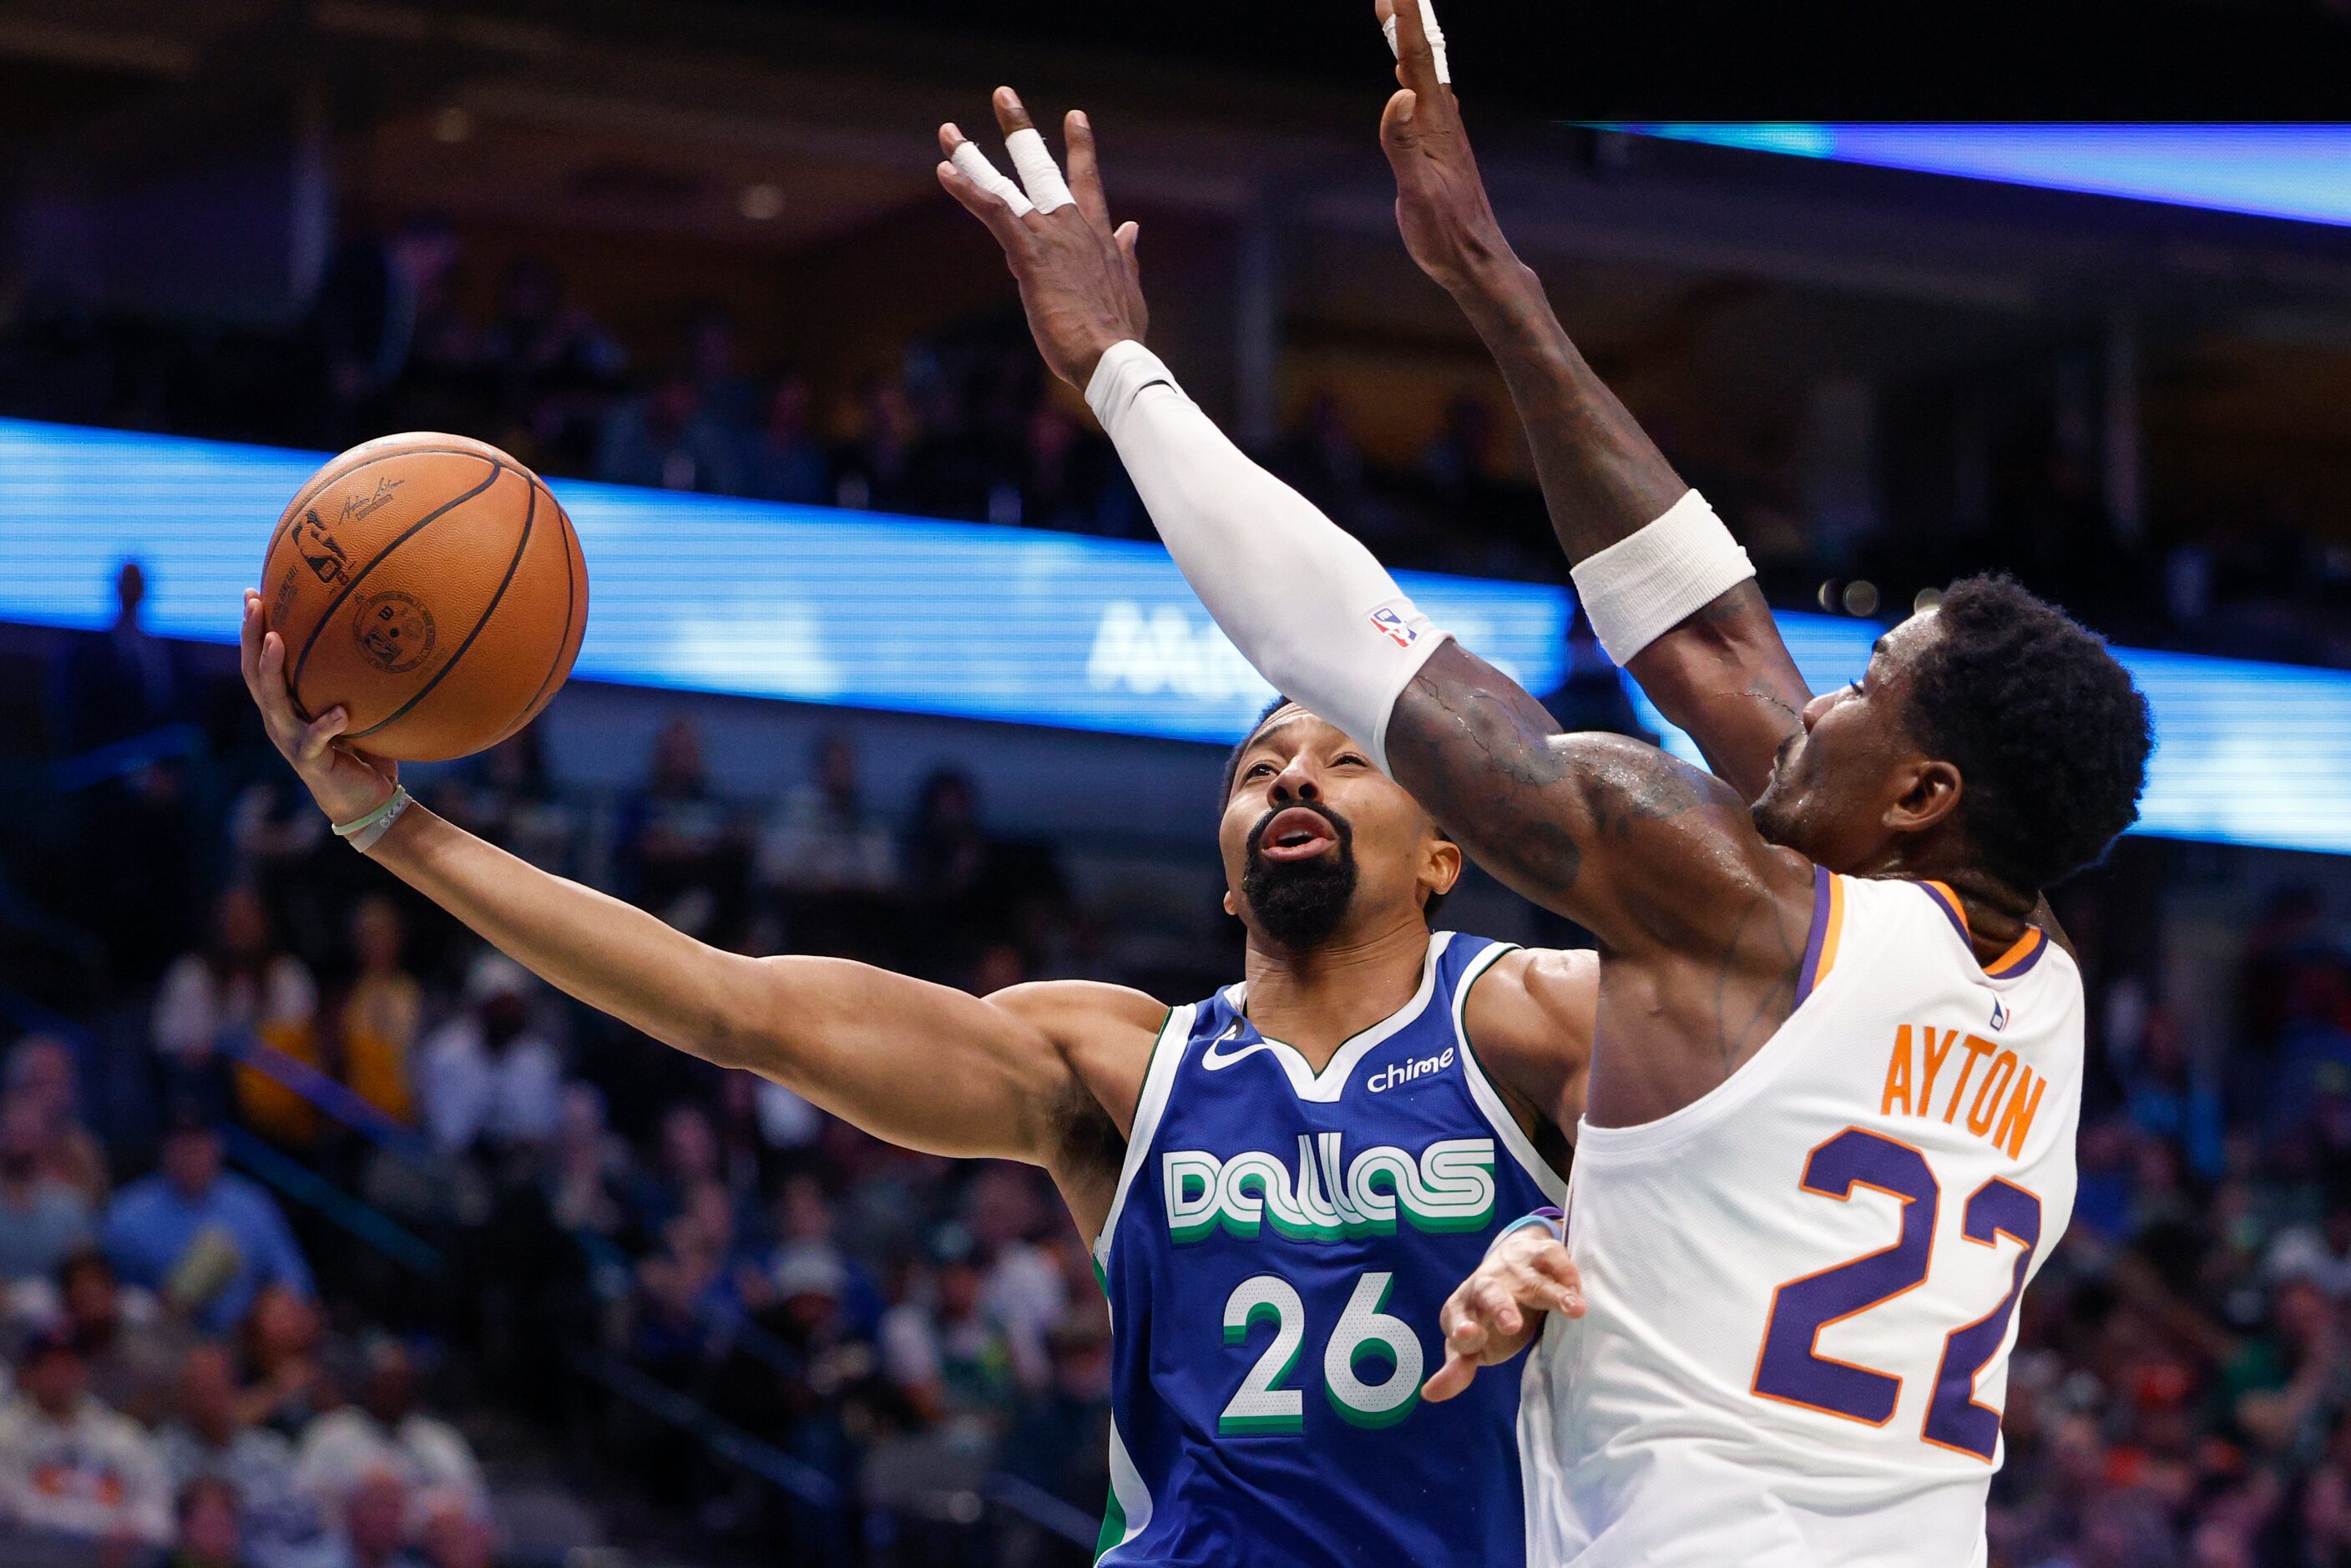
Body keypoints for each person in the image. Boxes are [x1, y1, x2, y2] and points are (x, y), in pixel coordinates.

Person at [933, 15, 2150, 1568]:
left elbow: (1354, 648)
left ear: (1918, 791)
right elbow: (1708, 631)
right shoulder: (2035, 977)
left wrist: (1119, 373)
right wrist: (1488, 283)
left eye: (1861, 678)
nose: (1811, 690)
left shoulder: (1737, 906)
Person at [102, 1118, 315, 1335]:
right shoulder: (126, 1214)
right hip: (159, 1336)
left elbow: (293, 1279)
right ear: (164, 1152)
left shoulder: (251, 1203)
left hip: (244, 1337)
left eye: (199, 1147)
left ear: (217, 1148)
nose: (191, 1158)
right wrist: (159, 1306)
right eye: (182, 1148)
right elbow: (105, 1292)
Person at [156, 1343, 343, 1568]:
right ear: (183, 1395)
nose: (207, 1398)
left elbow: (307, 1518)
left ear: (233, 1390)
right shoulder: (161, 1453)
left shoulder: (269, 1451)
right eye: (198, 1388)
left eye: (216, 1387)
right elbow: (160, 1528)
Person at [0, 1327, 174, 1551]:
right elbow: (16, 1510)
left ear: (83, 1372)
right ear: (28, 1374)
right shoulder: (6, 1433)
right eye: (51, 1365)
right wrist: (101, 1528)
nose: (61, 1376)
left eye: (69, 1365)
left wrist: (133, 1528)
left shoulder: (121, 1436)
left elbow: (158, 1513)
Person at [0, 1095, 93, 1284]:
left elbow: (84, 1272)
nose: (21, 1144)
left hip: (57, 1306)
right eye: (14, 1133)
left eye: (29, 1134)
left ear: (45, 1140)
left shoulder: (70, 1205)